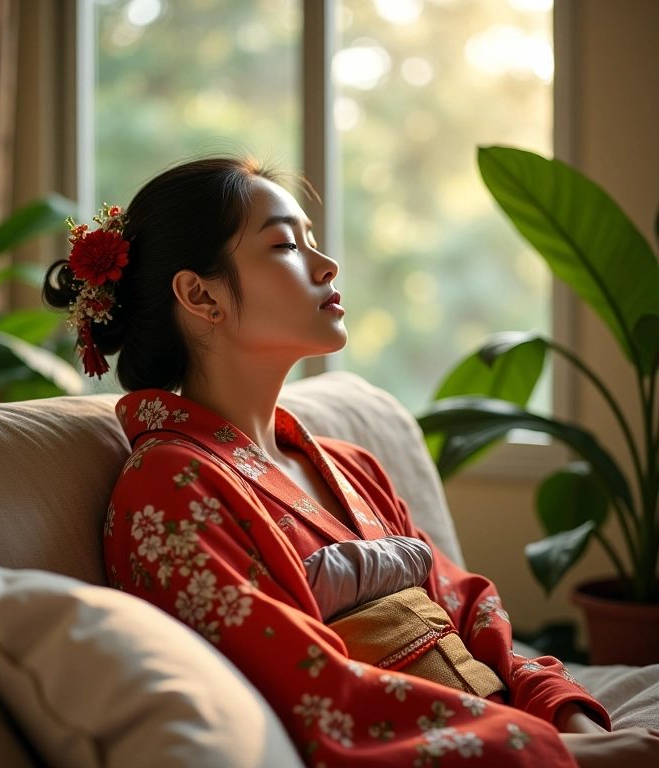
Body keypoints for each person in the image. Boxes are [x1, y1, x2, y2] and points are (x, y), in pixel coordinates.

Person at [43, 156, 659, 767]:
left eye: (312, 239)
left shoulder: (351, 464)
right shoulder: (168, 487)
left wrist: (574, 723)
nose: (327, 263)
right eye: (286, 245)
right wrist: (570, 757)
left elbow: (471, 609)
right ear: (200, 294)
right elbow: (307, 694)